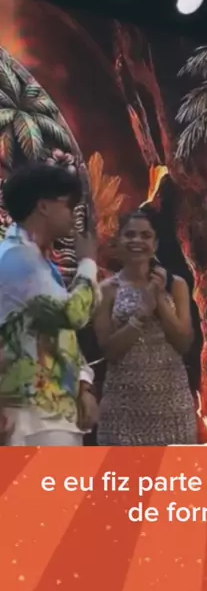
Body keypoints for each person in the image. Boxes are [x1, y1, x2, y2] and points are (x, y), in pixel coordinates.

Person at [0, 163, 98, 446]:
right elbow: (72, 315)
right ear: (43, 206)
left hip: (49, 413)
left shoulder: (35, 260)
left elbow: (57, 331)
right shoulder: (18, 259)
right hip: (33, 417)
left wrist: (83, 383)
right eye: (68, 205)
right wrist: (88, 263)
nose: (73, 215)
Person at [94, 210, 197, 446]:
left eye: (145, 235)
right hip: (122, 411)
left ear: (155, 244)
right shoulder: (106, 289)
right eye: (130, 235)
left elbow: (184, 343)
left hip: (172, 408)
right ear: (118, 241)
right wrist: (140, 316)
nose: (137, 241)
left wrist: (158, 299)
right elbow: (108, 351)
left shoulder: (176, 285)